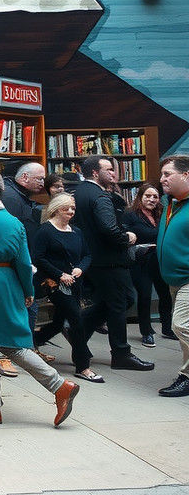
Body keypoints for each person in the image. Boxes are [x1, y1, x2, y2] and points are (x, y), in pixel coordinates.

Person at [0, 169, 79, 428]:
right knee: (13, 343)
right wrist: (28, 291)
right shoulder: (15, 223)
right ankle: (58, 386)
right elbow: (24, 263)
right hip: (9, 284)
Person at [72, 155, 154, 372]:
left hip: (91, 259)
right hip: (109, 260)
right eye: (108, 169)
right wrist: (127, 237)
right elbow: (109, 228)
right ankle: (121, 354)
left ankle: (77, 332)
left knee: (118, 300)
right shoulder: (100, 196)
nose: (113, 173)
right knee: (121, 302)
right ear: (95, 172)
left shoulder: (78, 192)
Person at [31, 193, 102, 383]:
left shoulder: (76, 231)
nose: (71, 212)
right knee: (77, 322)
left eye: (73, 208)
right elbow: (38, 258)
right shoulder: (45, 231)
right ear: (56, 209)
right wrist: (59, 274)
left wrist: (80, 268)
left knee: (58, 323)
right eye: (66, 208)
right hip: (54, 285)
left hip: (75, 283)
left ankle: (33, 341)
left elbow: (87, 255)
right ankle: (83, 366)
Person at [2, 161, 50, 364]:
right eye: (39, 178)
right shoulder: (12, 198)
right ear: (24, 178)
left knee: (29, 306)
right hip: (17, 264)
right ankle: (23, 352)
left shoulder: (17, 195)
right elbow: (12, 235)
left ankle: (26, 350)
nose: (42, 183)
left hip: (23, 262)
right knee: (27, 306)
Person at [122, 182, 174, 347]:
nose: (152, 199)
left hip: (159, 260)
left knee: (165, 295)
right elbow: (123, 234)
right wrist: (129, 235)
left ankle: (167, 328)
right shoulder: (130, 214)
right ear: (140, 197)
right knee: (144, 295)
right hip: (140, 262)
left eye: (155, 197)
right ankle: (146, 332)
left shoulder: (162, 214)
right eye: (148, 196)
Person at [157, 154, 189, 398]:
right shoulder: (171, 203)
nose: (162, 179)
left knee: (181, 325)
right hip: (173, 279)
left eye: (167, 174)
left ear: (186, 175)